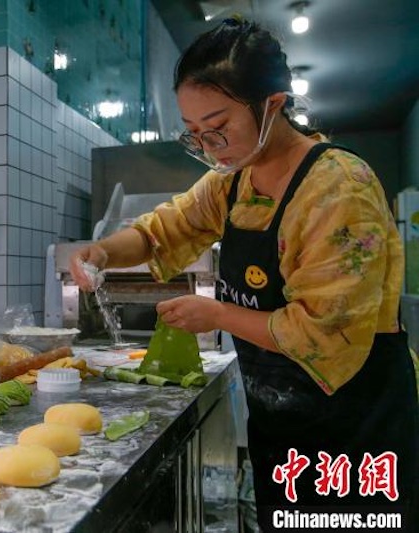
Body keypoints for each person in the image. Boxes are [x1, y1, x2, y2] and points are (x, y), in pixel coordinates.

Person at [69, 17, 418, 532]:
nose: (211, 147)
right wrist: (101, 251)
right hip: (284, 422)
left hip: (356, 426)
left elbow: (321, 332)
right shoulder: (232, 184)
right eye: (195, 136)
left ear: (273, 104)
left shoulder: (337, 188)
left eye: (219, 127)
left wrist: (216, 314)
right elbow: (162, 231)